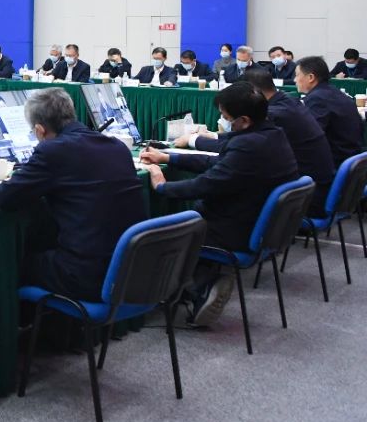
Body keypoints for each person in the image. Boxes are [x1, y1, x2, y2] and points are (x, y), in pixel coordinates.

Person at [141, 82, 298, 327]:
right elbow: (218, 164)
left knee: (167, 227)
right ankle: (200, 283)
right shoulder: (272, 134)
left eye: (226, 117)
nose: (223, 122)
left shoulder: (248, 145)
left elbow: (205, 185)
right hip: (264, 224)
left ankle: (196, 289)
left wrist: (162, 187)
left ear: (243, 120)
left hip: (235, 229)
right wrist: (168, 157)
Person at [0, 88, 146, 299]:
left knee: (8, 263)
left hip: (87, 276)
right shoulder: (117, 146)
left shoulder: (53, 151)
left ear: (39, 131)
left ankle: (24, 320)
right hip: (133, 270)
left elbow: (4, 197)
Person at [180, 67, 335, 216]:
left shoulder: (274, 115)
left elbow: (238, 145)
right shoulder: (288, 102)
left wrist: (193, 139)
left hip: (306, 200)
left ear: (252, 93)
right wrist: (214, 135)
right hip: (306, 189)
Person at [296, 55, 366, 168]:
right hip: (351, 158)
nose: (295, 80)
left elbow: (310, 136)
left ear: (310, 77)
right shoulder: (334, 92)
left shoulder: (317, 98)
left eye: (297, 75)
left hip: (334, 162)